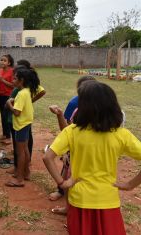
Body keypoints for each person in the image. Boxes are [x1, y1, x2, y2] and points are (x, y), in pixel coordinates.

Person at [43, 80, 141, 235]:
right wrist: (130, 185)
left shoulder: (72, 131)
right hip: (108, 200)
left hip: (79, 200)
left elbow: (47, 157)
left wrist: (62, 183)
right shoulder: (122, 135)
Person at [48, 75, 96, 206]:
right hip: (75, 146)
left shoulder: (100, 107)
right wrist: (59, 115)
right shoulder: (74, 104)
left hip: (92, 148)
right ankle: (62, 191)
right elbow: (66, 130)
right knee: (67, 168)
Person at [6, 60, 45, 175]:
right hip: (25, 123)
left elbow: (17, 112)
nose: (12, 80)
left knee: (20, 151)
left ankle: (19, 177)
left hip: (20, 124)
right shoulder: (27, 90)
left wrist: (9, 104)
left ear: (21, 80)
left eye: (14, 78)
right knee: (25, 149)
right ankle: (26, 172)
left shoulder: (22, 93)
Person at [0, 54, 14, 145]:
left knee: (7, 116)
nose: (2, 62)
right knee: (3, 116)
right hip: (1, 95)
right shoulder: (0, 71)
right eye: (1, 60)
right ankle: (5, 134)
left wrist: (2, 80)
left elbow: (13, 85)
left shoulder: (12, 71)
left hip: (9, 96)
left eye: (4, 60)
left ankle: (9, 137)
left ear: (9, 63)